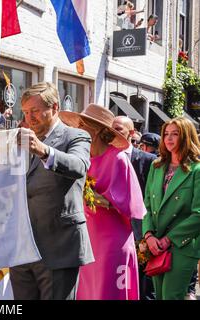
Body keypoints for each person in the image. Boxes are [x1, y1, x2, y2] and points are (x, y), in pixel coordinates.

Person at [10, 82, 94, 300]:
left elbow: (79, 166)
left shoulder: (76, 136)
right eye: (26, 112)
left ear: (55, 107)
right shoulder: (18, 140)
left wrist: (43, 150)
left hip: (59, 247)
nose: (29, 118)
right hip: (21, 248)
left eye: (35, 111)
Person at [60, 104, 146, 300]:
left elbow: (132, 206)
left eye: (83, 124)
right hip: (86, 239)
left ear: (97, 130)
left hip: (111, 243)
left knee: (108, 293)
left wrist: (93, 196)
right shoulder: (81, 157)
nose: (78, 128)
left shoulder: (118, 159)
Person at [142, 117, 200, 300]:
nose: (169, 138)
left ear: (187, 137)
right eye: (166, 134)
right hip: (156, 243)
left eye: (175, 134)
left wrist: (169, 239)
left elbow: (198, 214)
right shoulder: (156, 166)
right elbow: (147, 206)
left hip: (182, 244)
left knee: (171, 296)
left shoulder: (196, 170)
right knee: (159, 296)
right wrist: (149, 235)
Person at [112, 116, 157, 300]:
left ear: (131, 134)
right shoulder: (106, 156)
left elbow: (152, 196)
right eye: (111, 128)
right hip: (113, 229)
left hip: (140, 230)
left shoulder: (148, 160)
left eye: (119, 129)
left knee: (143, 282)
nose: (113, 132)